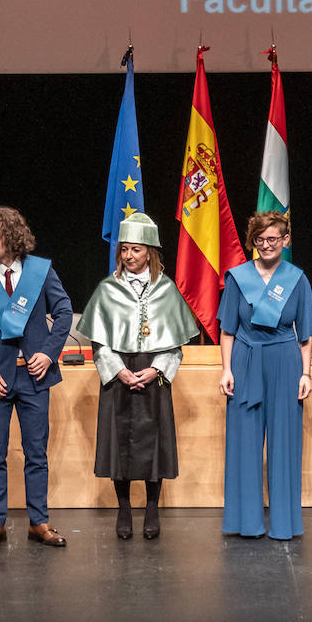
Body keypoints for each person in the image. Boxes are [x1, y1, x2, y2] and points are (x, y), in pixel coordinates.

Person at [76, 213, 199, 540]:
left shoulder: (166, 289)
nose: (129, 256)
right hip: (119, 376)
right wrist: (119, 371)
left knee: (153, 442)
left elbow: (176, 346)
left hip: (153, 375)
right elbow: (98, 342)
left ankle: (152, 508)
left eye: (136, 250)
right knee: (120, 443)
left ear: (150, 253)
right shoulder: (108, 289)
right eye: (125, 250)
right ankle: (124, 508)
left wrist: (156, 368)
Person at [0, 206, 73, 548]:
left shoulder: (41, 270)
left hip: (34, 377)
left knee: (36, 452)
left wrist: (49, 352)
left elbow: (64, 312)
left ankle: (39, 521)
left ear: (11, 236)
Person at [218, 210, 312, 540]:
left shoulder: (297, 279)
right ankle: (247, 522)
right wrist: (226, 369)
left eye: (273, 239)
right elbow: (227, 331)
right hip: (246, 360)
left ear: (285, 240)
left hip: (285, 362)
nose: (266, 245)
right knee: (244, 442)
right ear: (253, 242)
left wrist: (306, 373)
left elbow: (305, 334)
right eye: (260, 240)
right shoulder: (237, 277)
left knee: (284, 444)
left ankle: (285, 524)